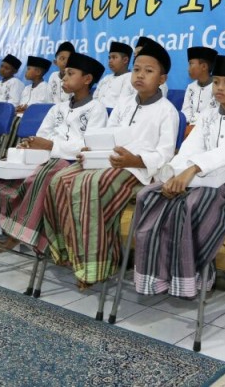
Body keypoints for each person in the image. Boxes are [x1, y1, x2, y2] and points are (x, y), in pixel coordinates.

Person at [46, 39, 179, 288]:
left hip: (138, 169)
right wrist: (92, 147)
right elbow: (107, 134)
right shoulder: (124, 103)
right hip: (109, 160)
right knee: (59, 180)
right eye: (137, 69)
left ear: (162, 79)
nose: (140, 75)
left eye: (149, 71)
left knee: (90, 186)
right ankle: (70, 251)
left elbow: (164, 154)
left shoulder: (167, 111)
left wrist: (134, 160)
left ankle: (98, 264)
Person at [132, 55, 225, 298]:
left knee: (188, 206)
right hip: (200, 180)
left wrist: (191, 170)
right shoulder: (208, 115)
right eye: (216, 82)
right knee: (148, 197)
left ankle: (192, 275)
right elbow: (190, 148)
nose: (220, 88)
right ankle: (158, 274)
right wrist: (172, 176)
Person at [0, 51, 108, 253]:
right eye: (64, 73)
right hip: (45, 156)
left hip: (71, 162)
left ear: (87, 79)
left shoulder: (96, 108)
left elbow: (87, 146)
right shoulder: (58, 108)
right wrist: (33, 144)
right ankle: (8, 223)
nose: (64, 77)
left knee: (38, 178)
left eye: (70, 73)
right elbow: (43, 134)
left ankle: (20, 234)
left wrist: (49, 146)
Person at [180, 46, 217, 138]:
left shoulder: (217, 87)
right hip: (189, 129)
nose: (188, 69)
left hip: (209, 131)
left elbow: (213, 114)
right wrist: (188, 126)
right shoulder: (191, 87)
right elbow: (186, 110)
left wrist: (195, 127)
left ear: (204, 66)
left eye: (191, 64)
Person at [94, 41, 135, 109]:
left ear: (125, 60)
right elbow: (95, 98)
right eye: (109, 58)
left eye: (114, 57)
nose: (110, 60)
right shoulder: (105, 78)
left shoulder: (130, 78)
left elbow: (123, 104)